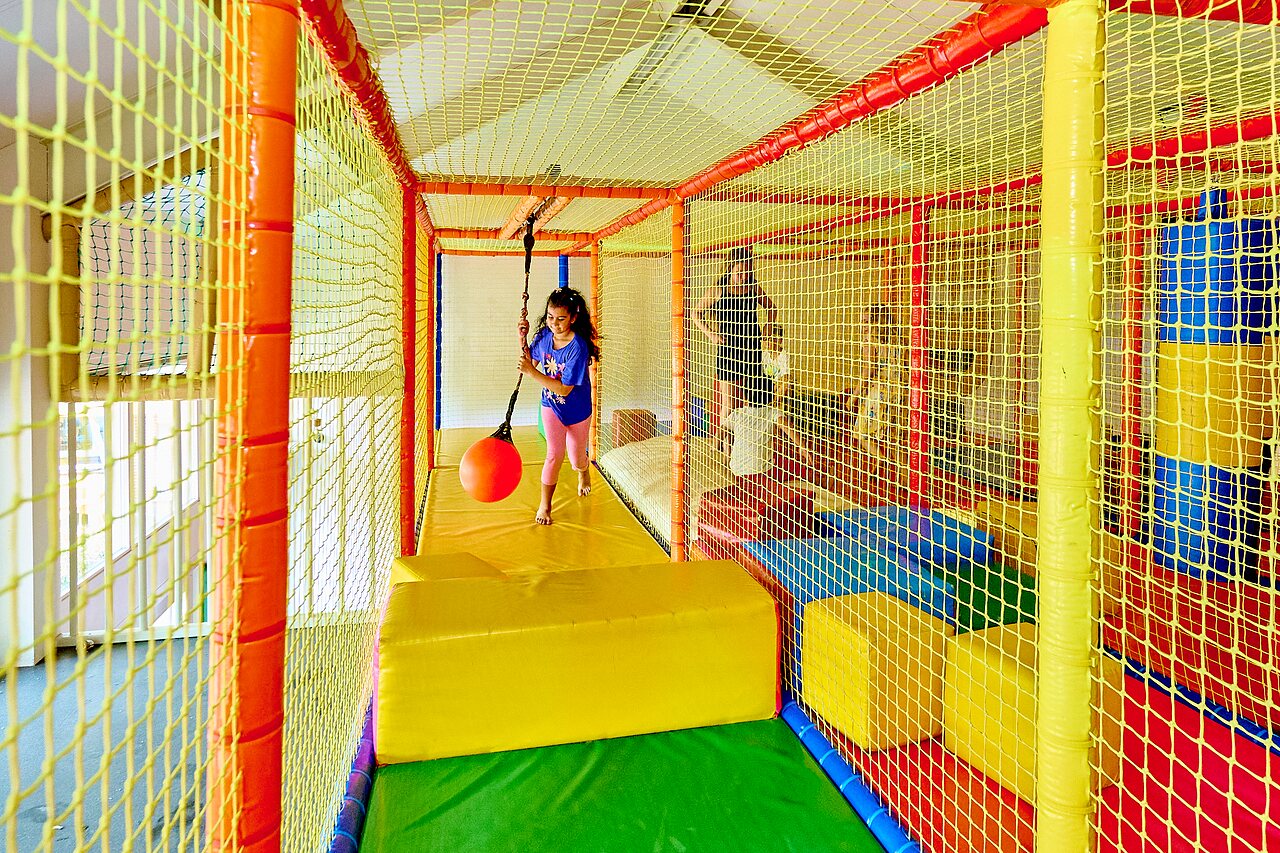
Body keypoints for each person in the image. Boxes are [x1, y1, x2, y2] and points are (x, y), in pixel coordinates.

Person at [518, 287, 600, 525]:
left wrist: (532, 373)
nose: (554, 323)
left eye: (561, 319)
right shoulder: (545, 336)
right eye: (550, 317)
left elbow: (564, 389)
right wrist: (522, 338)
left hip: (577, 410)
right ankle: (545, 506)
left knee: (576, 458)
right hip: (551, 406)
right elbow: (530, 361)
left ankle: (583, 472)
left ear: (573, 318)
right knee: (554, 455)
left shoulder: (578, 347)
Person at [693, 245, 777, 453]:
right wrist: (711, 334)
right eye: (739, 272)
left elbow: (772, 308)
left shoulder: (753, 288)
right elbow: (696, 313)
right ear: (730, 268)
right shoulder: (718, 290)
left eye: (746, 272)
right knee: (729, 405)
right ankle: (724, 449)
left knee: (750, 403)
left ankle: (745, 448)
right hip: (728, 350)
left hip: (752, 349)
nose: (743, 276)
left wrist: (767, 328)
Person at [722, 380, 812, 484]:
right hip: (760, 474)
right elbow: (787, 427)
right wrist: (802, 446)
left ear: (745, 396)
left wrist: (717, 448)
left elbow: (720, 433)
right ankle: (818, 480)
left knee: (776, 459)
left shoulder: (738, 413)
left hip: (736, 472)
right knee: (792, 466)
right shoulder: (772, 412)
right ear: (771, 395)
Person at [761, 324, 791, 400]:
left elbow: (786, 377)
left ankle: (774, 404)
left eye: (770, 339)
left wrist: (774, 387)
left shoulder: (785, 356)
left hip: (777, 386)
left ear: (779, 340)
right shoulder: (764, 355)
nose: (766, 343)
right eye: (764, 339)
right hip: (765, 386)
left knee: (786, 384)